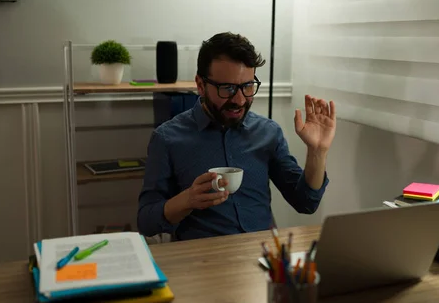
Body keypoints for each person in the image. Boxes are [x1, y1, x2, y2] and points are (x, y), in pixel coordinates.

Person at [137, 32, 336, 240]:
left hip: (260, 256)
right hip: (202, 259)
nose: (240, 100)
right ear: (200, 85)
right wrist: (187, 200)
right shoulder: (167, 138)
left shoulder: (268, 133)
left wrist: (317, 151)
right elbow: (146, 222)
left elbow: (306, 202)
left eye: (247, 86)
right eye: (228, 88)